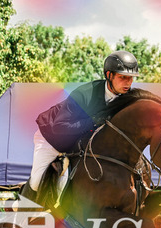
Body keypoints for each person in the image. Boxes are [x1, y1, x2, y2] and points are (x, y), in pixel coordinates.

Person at [28, 50, 140, 197]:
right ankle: (23, 206)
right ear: (109, 75)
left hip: (78, 144)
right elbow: (59, 127)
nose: (128, 83)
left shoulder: (126, 98)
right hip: (52, 137)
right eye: (123, 77)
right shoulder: (84, 94)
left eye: (131, 78)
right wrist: (92, 122)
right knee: (36, 183)